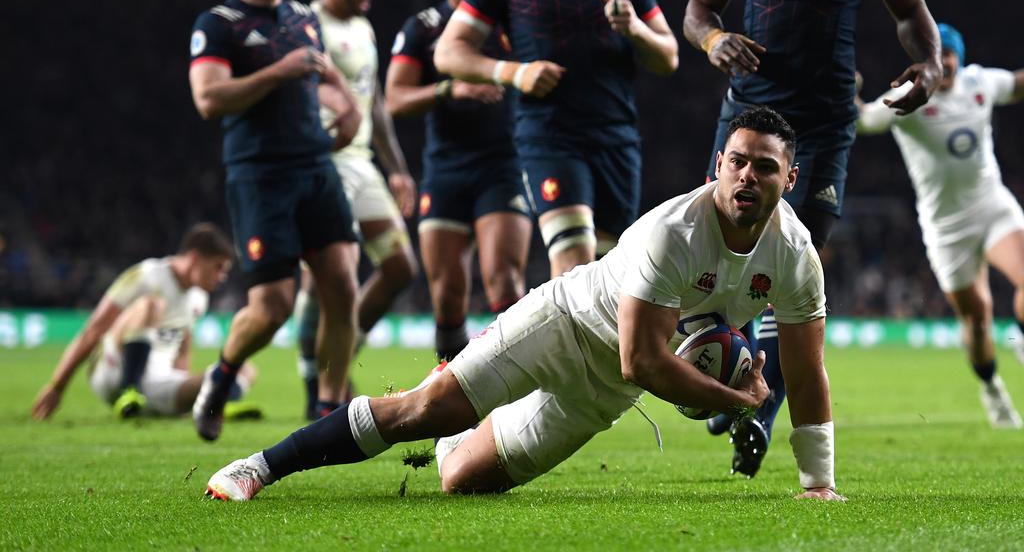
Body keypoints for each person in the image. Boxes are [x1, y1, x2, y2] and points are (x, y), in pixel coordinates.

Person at [204, 107, 844, 503]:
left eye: (765, 167)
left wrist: (818, 482)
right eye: (738, 162)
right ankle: (256, 468)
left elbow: (808, 371)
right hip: (564, 325)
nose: (747, 177)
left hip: (605, 396)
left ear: (790, 179)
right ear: (717, 168)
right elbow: (642, 362)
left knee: (460, 481)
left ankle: (463, 395)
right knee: (417, 413)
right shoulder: (671, 231)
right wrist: (733, 400)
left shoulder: (795, 255)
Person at [682, 0, 942, 476]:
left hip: (825, 124)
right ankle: (732, 366)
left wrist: (932, 62)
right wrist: (713, 39)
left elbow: (913, 13)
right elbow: (697, 9)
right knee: (725, 250)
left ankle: (758, 415)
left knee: (801, 262)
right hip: (750, 117)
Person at [434, 0, 678, 278]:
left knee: (611, 274)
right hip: (549, 135)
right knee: (573, 261)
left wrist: (635, 29)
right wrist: (513, 72)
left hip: (616, 137)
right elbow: (448, 53)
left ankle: (587, 346)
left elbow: (669, 57)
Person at [188, 0, 363, 440]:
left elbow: (324, 77)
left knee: (343, 289)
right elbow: (208, 98)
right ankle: (220, 377)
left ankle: (327, 410)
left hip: (315, 168)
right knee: (272, 309)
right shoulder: (218, 23)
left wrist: (348, 105)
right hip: (261, 176)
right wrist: (278, 72)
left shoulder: (300, 19)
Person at [858, 23, 1024, 428]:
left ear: (958, 57)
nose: (945, 61)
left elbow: (1018, 85)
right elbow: (864, 120)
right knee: (978, 317)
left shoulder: (980, 83)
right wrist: (848, 92)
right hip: (945, 228)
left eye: (949, 53)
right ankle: (991, 388)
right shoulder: (906, 97)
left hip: (992, 206)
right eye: (937, 54)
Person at [386, 0, 532, 362]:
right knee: (448, 296)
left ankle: (513, 397)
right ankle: (449, 406)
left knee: (503, 283)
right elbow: (395, 98)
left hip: (502, 166)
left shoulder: (511, 23)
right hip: (445, 170)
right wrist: (451, 89)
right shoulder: (424, 27)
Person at [293, 0, 419, 419]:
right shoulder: (307, 23)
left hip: (362, 163)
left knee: (400, 267)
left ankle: (337, 356)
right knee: (328, 279)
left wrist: (397, 167)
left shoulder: (364, 28)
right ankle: (318, 381)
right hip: (325, 162)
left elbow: (377, 103)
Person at [30, 223, 258, 420]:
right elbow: (94, 329)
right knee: (151, 305)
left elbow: (182, 347)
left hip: (158, 381)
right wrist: (57, 386)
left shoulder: (199, 297)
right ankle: (129, 389)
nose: (221, 276)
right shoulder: (147, 275)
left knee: (243, 369)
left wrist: (182, 383)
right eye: (217, 267)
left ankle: (216, 408)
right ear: (195, 258)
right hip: (113, 369)